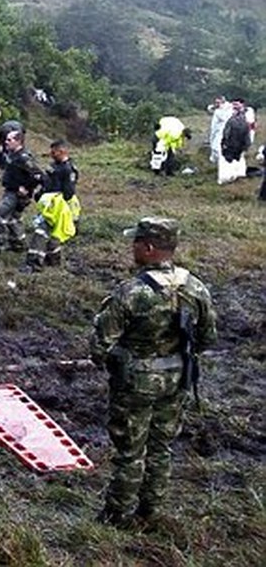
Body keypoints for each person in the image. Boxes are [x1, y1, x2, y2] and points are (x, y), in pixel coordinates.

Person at [91, 217, 217, 528]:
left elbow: (100, 345)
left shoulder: (131, 292)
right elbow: (207, 338)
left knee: (130, 451)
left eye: (136, 242)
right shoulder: (196, 287)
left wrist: (118, 359)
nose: (131, 247)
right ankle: (150, 510)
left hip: (135, 383)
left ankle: (117, 515)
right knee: (161, 448)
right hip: (177, 380)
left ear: (148, 248)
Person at [0, 128, 44, 256]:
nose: (6, 142)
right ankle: (18, 244)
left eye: (9, 140)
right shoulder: (10, 154)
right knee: (13, 219)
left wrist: (27, 188)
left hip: (16, 195)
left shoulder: (24, 158)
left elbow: (39, 175)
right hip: (9, 191)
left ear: (18, 142)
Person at [23, 139, 80, 272]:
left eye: (54, 152)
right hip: (48, 204)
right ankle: (53, 260)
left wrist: (55, 202)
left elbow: (69, 193)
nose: (51, 154)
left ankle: (33, 264)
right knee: (53, 236)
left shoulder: (68, 169)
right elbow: (47, 182)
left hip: (57, 207)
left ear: (62, 151)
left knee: (41, 233)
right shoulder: (54, 166)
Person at [218, 100, 250, 185]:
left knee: (227, 162)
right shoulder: (245, 121)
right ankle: (238, 176)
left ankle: (226, 179)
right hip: (239, 146)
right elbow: (247, 136)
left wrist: (223, 144)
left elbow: (226, 134)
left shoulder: (231, 121)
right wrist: (246, 146)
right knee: (238, 160)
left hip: (230, 145)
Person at [207, 96, 232, 164]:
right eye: (215, 102)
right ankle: (214, 162)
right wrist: (215, 107)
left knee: (217, 147)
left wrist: (219, 110)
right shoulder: (217, 109)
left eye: (218, 102)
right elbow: (209, 109)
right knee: (213, 146)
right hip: (215, 130)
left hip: (221, 131)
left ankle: (222, 161)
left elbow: (224, 118)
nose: (216, 104)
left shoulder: (227, 109)